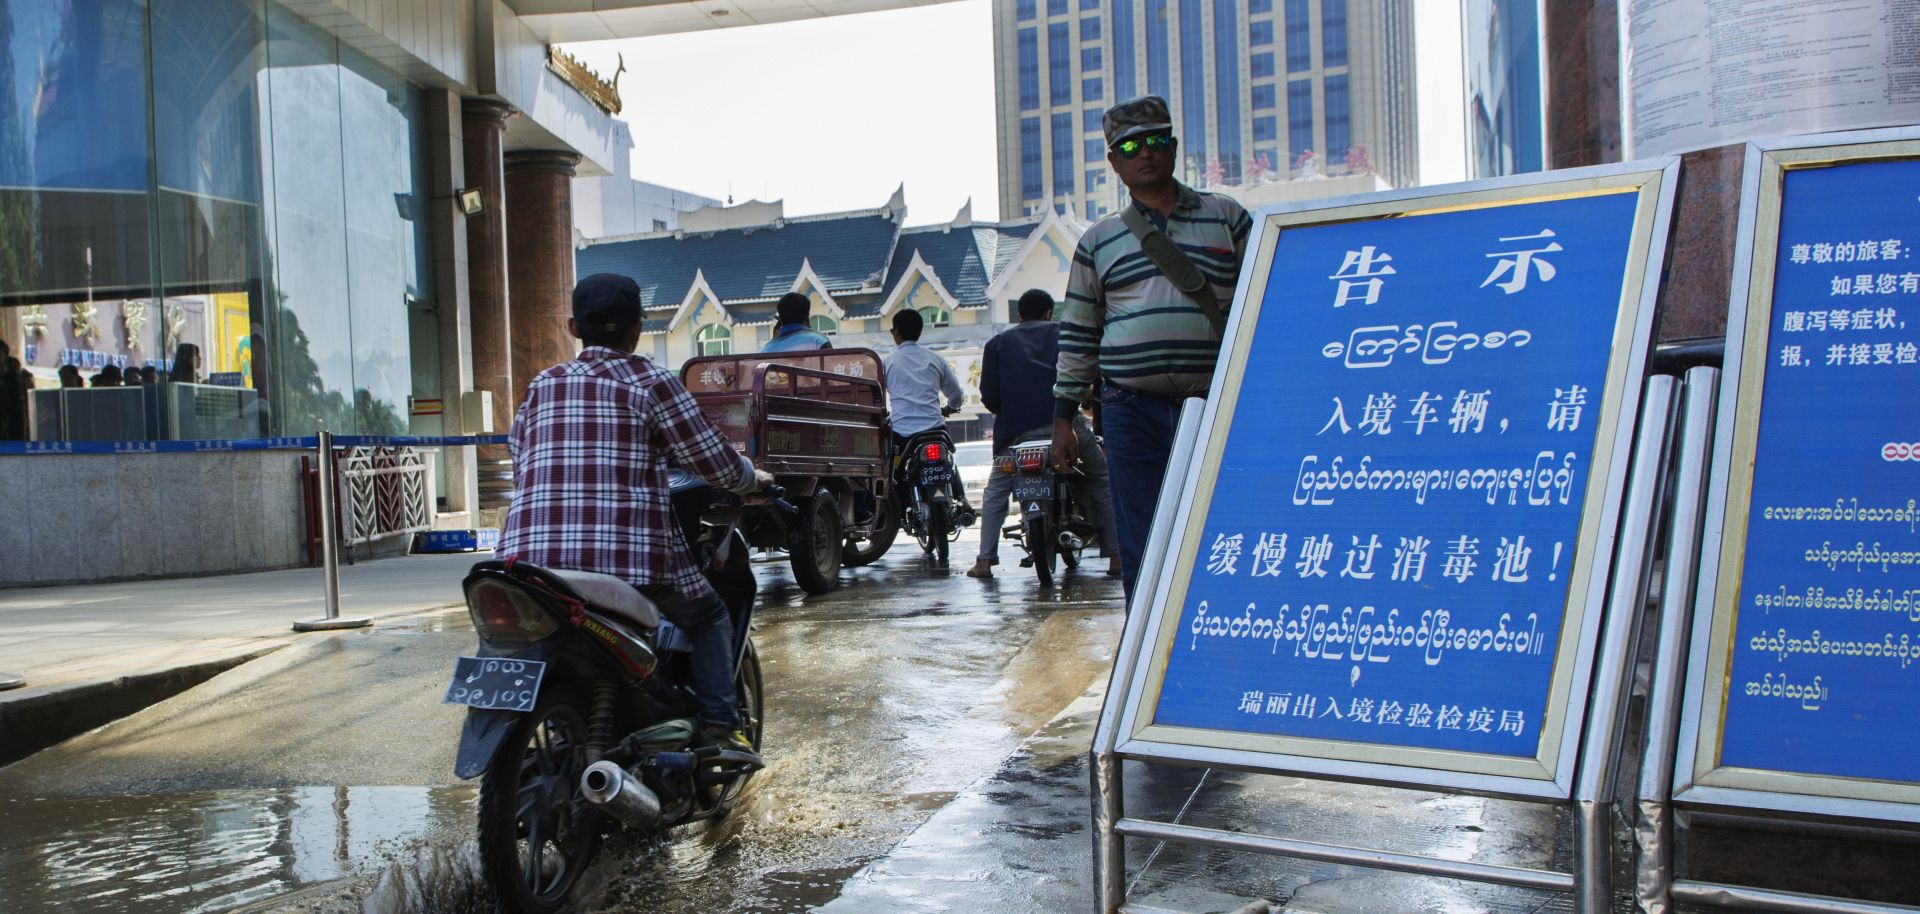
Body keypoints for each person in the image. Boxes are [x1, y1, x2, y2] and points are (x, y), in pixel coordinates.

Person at [498, 273, 773, 753]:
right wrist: (754, 481)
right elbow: (714, 461)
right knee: (708, 617)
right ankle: (719, 731)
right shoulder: (650, 381)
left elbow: (521, 460)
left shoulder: (542, 385)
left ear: (572, 326)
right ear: (637, 330)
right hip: (627, 563)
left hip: (529, 565)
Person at [1051, 95, 1253, 601]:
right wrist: (1062, 421)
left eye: (1157, 140)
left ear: (1175, 148)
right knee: (1143, 535)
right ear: (1115, 162)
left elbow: (1265, 301)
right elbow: (1079, 332)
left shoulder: (1227, 219)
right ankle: (1145, 653)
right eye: (1131, 145)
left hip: (1217, 403)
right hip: (1129, 408)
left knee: (1224, 522)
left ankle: (1219, 630)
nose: (1146, 152)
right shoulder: (1099, 240)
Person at [969, 289, 1119, 579]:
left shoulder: (997, 343)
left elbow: (990, 398)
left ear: (1019, 316)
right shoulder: (1065, 335)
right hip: (1066, 430)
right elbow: (1086, 377)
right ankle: (1115, 557)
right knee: (1101, 480)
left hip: (1013, 438)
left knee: (996, 492)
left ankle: (985, 561)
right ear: (1050, 313)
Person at [884, 308, 975, 524]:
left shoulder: (888, 363)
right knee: (949, 464)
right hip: (935, 429)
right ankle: (962, 499)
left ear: (896, 332)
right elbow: (956, 395)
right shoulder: (935, 359)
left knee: (895, 473)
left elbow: (879, 395)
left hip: (902, 433)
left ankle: (901, 511)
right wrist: (951, 408)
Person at [761, 292, 831, 352]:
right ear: (806, 317)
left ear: (781, 319)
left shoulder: (767, 349)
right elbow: (832, 366)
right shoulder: (819, 341)